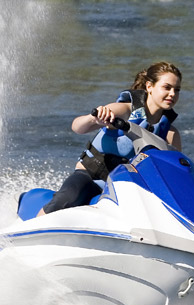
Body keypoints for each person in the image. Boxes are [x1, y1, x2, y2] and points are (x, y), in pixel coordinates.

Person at [38, 61, 182, 216]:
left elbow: (171, 175)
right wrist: (94, 119)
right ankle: (37, 226)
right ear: (149, 86)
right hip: (91, 178)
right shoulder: (125, 111)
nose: (172, 94)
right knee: (64, 199)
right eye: (167, 87)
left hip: (128, 188)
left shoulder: (170, 134)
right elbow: (77, 127)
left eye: (177, 90)